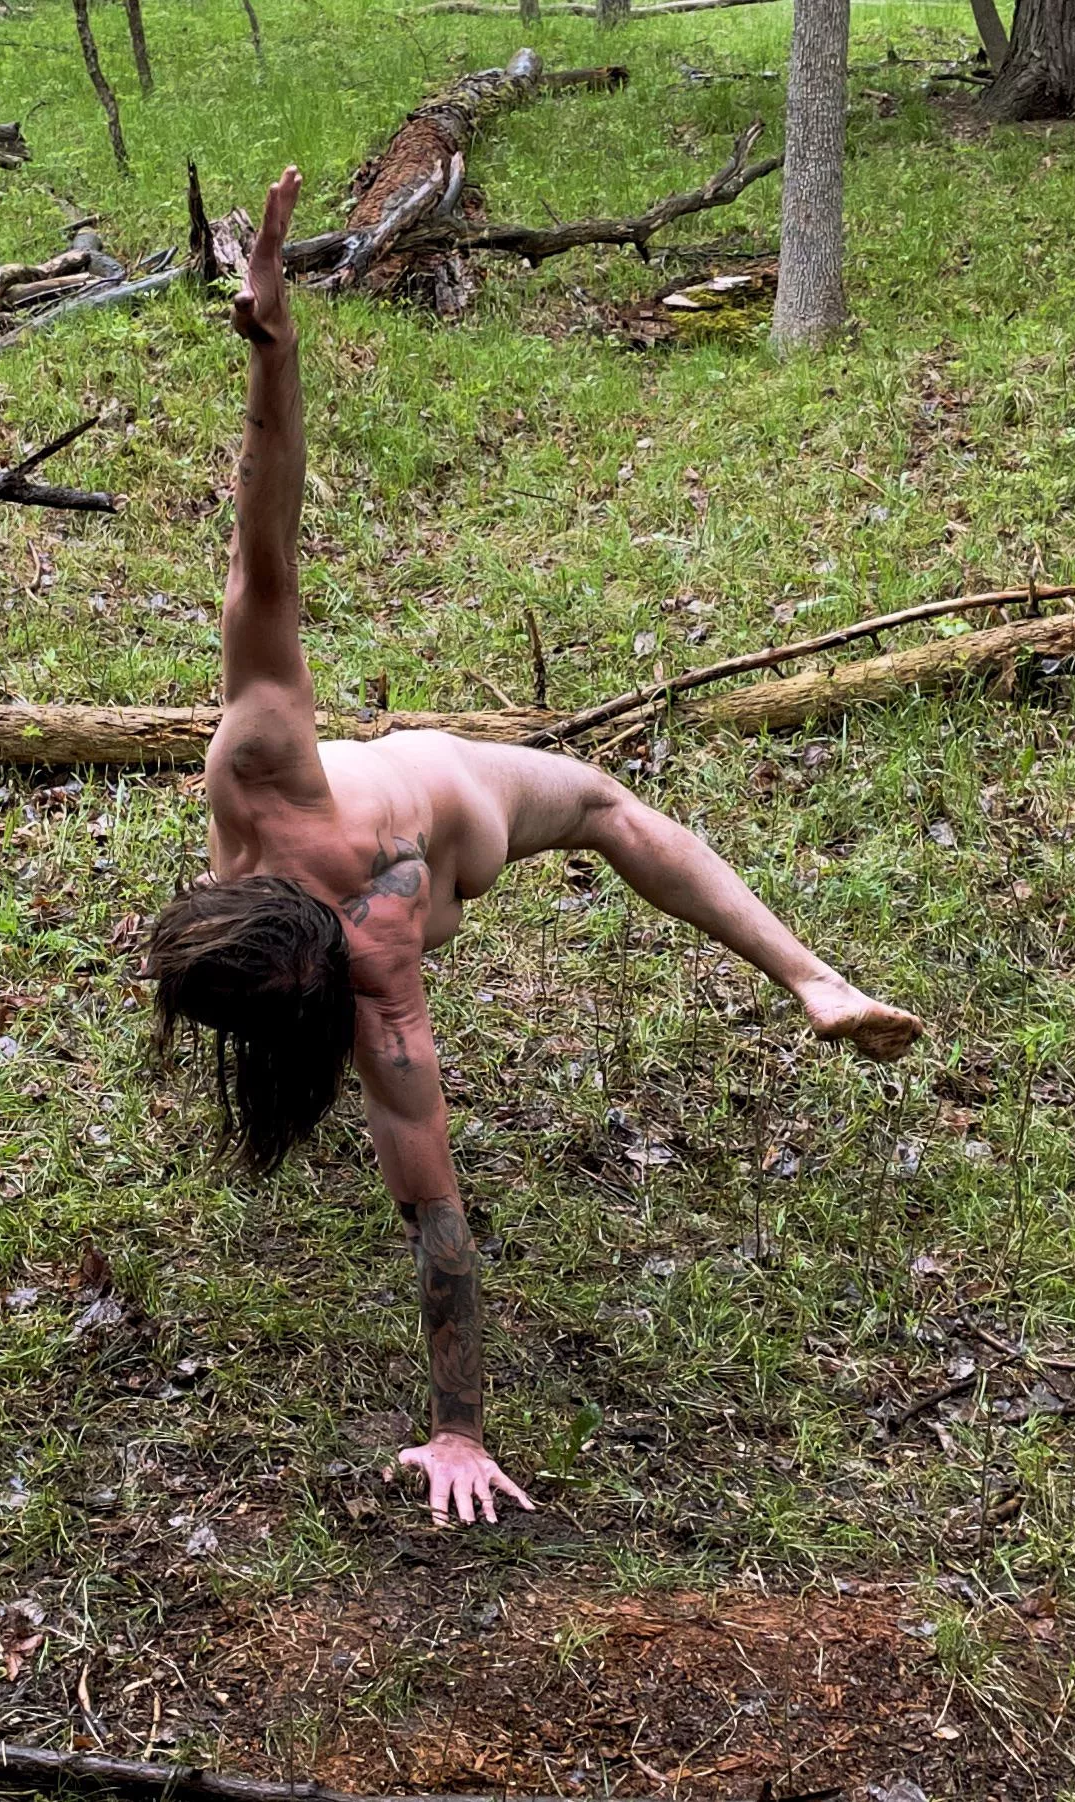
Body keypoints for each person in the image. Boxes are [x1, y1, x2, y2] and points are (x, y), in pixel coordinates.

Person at [147, 169, 923, 1529]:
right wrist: (266, 336)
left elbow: (262, 537)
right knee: (611, 814)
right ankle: (810, 982)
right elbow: (250, 556)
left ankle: (809, 976)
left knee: (610, 809)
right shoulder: (250, 788)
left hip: (458, 800)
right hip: (396, 842)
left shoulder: (365, 938)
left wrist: (459, 1429)